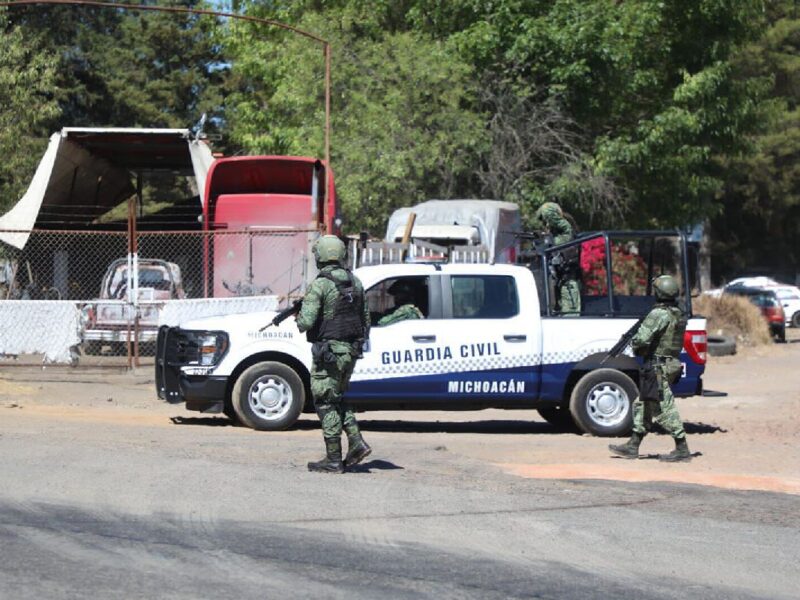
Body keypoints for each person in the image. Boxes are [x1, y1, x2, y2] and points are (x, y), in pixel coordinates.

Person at [296, 235, 371, 473]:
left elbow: (305, 322)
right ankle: (356, 442)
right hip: (350, 351)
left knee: (325, 402)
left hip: (328, 353)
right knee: (336, 396)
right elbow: (366, 320)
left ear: (320, 256)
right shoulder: (355, 282)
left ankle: (333, 459)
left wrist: (297, 315)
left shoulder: (320, 284)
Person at [609, 275, 692, 462]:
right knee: (644, 404)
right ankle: (633, 445)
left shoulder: (658, 314)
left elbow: (641, 339)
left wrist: (636, 344)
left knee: (663, 406)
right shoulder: (677, 312)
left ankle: (682, 447)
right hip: (668, 363)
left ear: (659, 293)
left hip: (658, 367)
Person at [534, 202, 580, 315]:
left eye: (546, 220)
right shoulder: (555, 234)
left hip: (568, 284)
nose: (546, 223)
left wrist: (546, 239)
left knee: (570, 317)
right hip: (559, 283)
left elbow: (547, 211)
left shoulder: (566, 231)